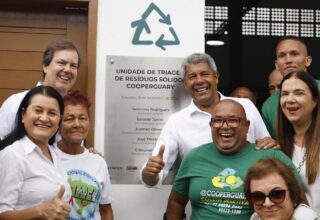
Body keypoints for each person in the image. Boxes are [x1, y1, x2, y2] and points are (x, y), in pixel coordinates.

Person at [141, 53, 273, 188]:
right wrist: (150, 173)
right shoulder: (176, 122)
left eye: (204, 74)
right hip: (204, 202)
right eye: (192, 77)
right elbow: (153, 177)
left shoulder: (246, 107)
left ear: (216, 77)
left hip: (250, 199)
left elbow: (267, 150)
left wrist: (269, 143)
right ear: (185, 84)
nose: (199, 81)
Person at [165, 100, 302, 220]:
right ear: (211, 124)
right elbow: (176, 201)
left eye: (233, 120)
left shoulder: (272, 156)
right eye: (218, 120)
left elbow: (300, 203)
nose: (225, 126)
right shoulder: (194, 157)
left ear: (247, 126)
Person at [0, 85, 71, 219]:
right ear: (23, 115)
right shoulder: (12, 155)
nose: (44, 118)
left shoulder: (55, 154)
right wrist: (41, 210)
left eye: (52, 113)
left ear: (59, 120)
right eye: (38, 110)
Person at [0, 39, 81, 140]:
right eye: (61, 63)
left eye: (73, 66)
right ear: (45, 66)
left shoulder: (75, 110)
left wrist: (85, 154)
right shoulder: (16, 102)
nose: (67, 70)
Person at [54, 90, 114, 220]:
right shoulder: (47, 156)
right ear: (58, 124)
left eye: (82, 118)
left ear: (89, 123)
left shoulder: (98, 162)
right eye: (69, 119)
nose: (77, 124)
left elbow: (106, 209)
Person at [277, 71, 320, 213]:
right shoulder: (278, 147)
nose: (290, 100)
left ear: (315, 101)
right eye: (284, 94)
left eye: (299, 93)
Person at [261, 36, 320, 138]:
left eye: (294, 54)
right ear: (276, 65)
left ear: (308, 61)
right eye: (282, 55)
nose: (288, 60)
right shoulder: (269, 105)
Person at [244, 158, 318, 220]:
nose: (267, 204)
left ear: (293, 196)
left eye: (277, 195)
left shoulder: (304, 216)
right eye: (258, 197)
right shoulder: (256, 217)